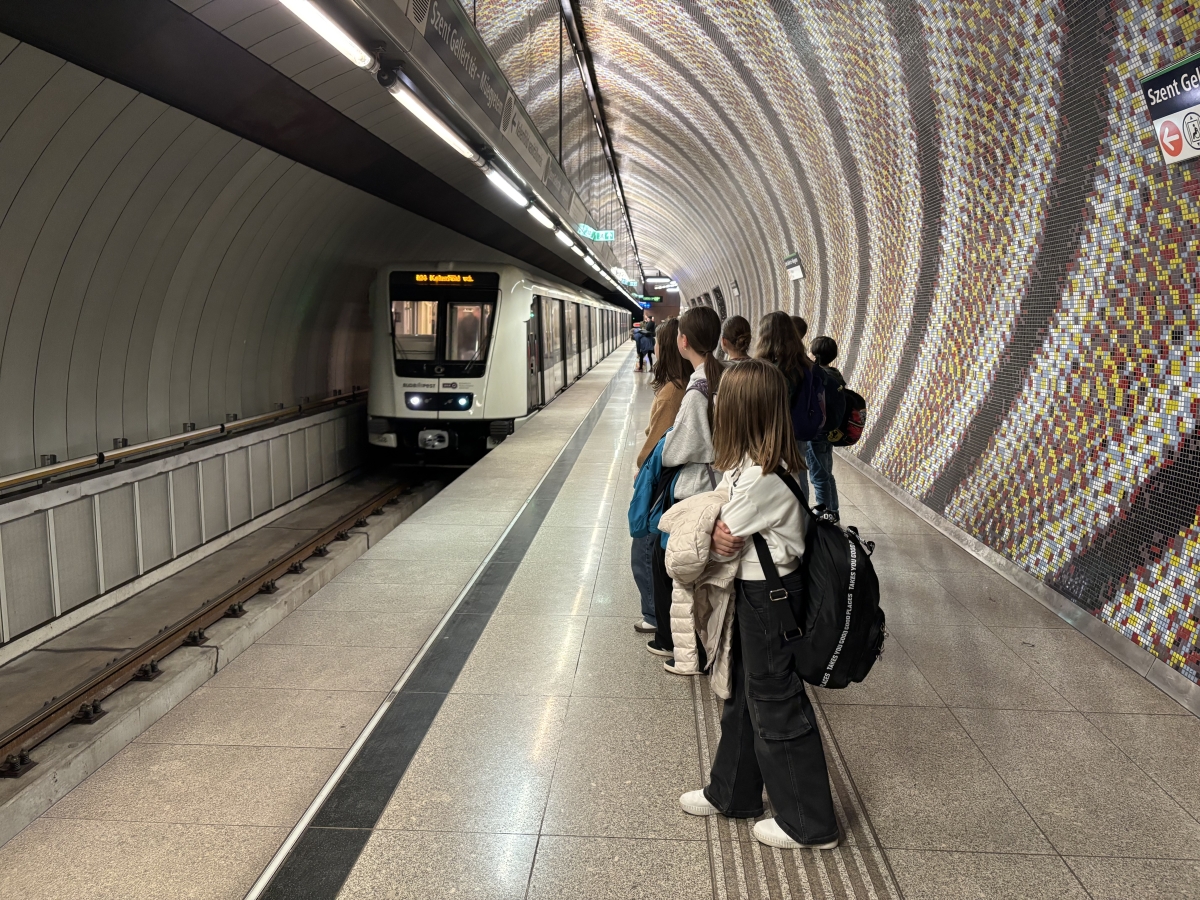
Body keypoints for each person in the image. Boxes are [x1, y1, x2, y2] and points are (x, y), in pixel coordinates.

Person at [678, 359, 839, 851]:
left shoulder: (761, 478)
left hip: (771, 601)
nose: (716, 408)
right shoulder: (750, 465)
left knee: (775, 702)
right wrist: (709, 525)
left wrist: (706, 526)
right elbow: (710, 521)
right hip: (758, 596)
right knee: (745, 697)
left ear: (740, 411)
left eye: (723, 402)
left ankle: (809, 824)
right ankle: (732, 792)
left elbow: (703, 538)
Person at [647, 306, 725, 658]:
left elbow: (677, 450)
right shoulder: (724, 376)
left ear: (683, 341)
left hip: (697, 491)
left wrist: (663, 445)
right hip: (720, 483)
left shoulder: (696, 390)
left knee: (676, 566)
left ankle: (681, 646)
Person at [632, 317, 692, 634]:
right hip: (677, 479)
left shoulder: (672, 392)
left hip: (664, 481)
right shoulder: (687, 384)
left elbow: (658, 442)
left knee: (645, 547)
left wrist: (640, 470)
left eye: (656, 341)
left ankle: (654, 615)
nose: (652, 346)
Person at [754, 311, 810, 501]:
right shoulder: (802, 363)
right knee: (799, 474)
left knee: (774, 475)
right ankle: (802, 511)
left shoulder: (773, 370)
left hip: (776, 431)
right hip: (799, 428)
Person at [806, 336, 844, 521]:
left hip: (816, 433)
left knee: (818, 476)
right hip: (830, 431)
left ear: (814, 355)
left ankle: (824, 514)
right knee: (827, 474)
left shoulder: (817, 377)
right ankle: (833, 510)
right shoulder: (835, 375)